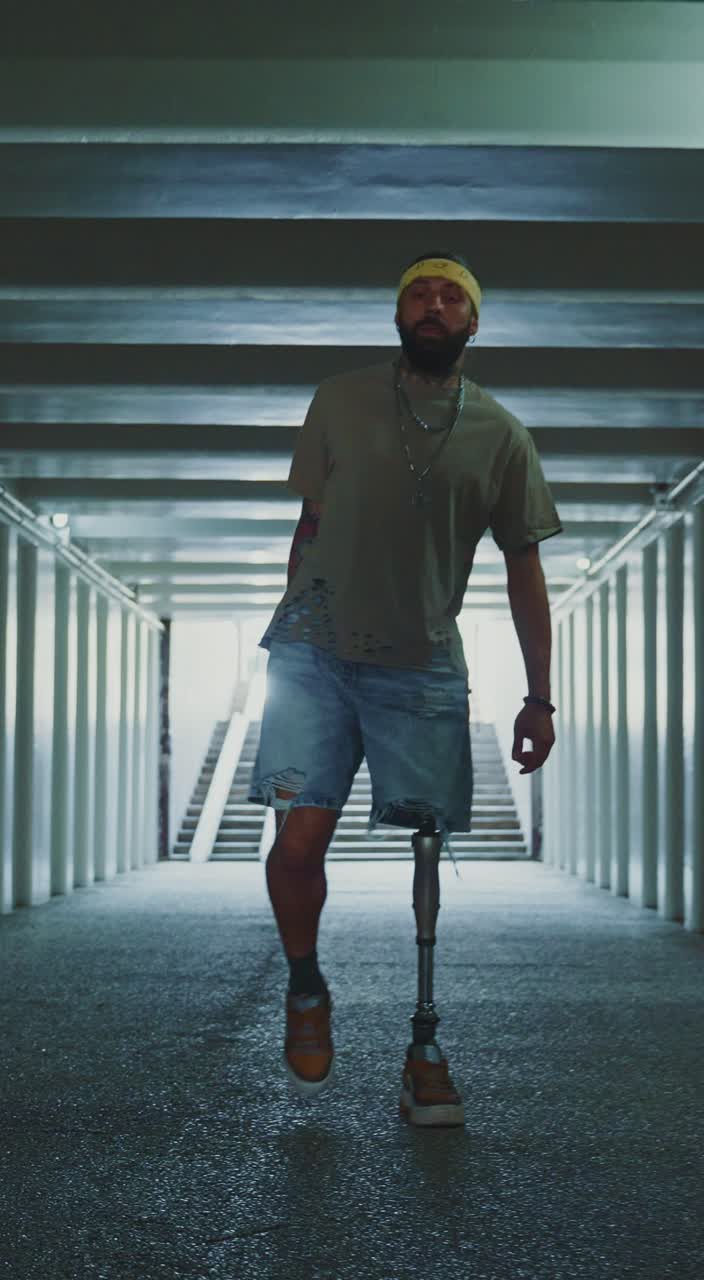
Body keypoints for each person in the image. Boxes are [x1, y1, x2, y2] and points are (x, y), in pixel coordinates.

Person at [248, 251, 563, 1118]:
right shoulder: (339, 399)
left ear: (472, 322)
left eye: (451, 295)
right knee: (298, 840)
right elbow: (308, 526)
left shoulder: (502, 434)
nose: (434, 304)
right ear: (399, 315)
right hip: (313, 654)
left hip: (422, 661)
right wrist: (294, 617)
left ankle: (425, 1041)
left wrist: (540, 697)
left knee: (428, 847)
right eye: (419, 293)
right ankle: (307, 986)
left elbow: (525, 569)